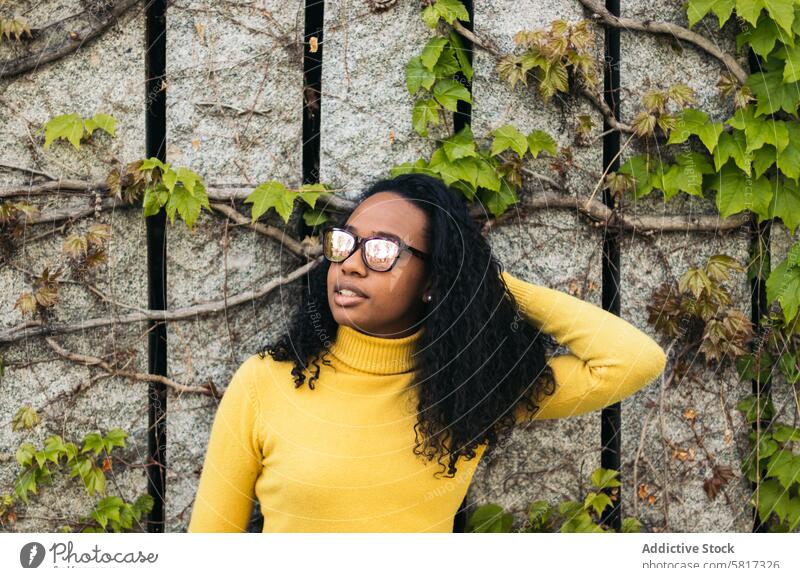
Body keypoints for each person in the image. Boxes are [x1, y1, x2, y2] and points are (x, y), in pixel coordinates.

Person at [186, 172, 667, 533]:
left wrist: (479, 284)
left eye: (381, 251)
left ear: (433, 280)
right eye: (346, 244)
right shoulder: (266, 381)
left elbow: (632, 360)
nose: (351, 265)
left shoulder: (470, 389)